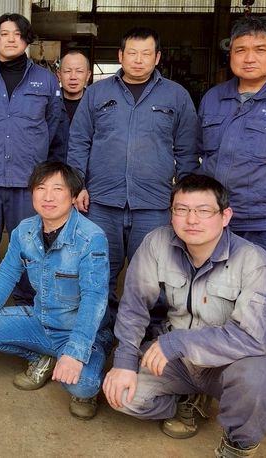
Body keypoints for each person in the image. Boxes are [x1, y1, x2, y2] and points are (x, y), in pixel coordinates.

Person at [103, 174, 266, 458]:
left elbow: (253, 338)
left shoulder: (253, 261)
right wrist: (124, 361)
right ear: (171, 213)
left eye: (203, 210)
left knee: (257, 380)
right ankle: (186, 399)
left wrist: (178, 343)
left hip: (226, 363)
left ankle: (239, 444)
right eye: (182, 209)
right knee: (121, 394)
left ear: (225, 216)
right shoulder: (156, 243)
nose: (191, 220)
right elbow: (134, 305)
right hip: (175, 362)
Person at [197, 15, 266, 419]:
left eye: (260, 49)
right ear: (230, 55)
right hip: (222, 221)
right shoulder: (213, 99)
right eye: (240, 50)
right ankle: (214, 373)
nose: (249, 57)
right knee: (217, 296)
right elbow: (199, 156)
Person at [66, 27, 198, 320]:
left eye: (146, 54)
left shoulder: (176, 96)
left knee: (153, 275)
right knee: (98, 271)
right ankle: (101, 329)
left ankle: (150, 332)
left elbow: (188, 151)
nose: (138, 60)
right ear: (120, 56)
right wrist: (78, 185)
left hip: (154, 204)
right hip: (101, 202)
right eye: (132, 53)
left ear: (157, 57)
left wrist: (184, 198)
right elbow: (79, 141)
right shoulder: (97, 93)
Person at [0, 161, 112, 420]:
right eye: (41, 188)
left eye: (58, 189)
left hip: (78, 331)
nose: (48, 196)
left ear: (73, 196)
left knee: (83, 384)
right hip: (41, 321)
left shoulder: (91, 238)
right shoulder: (24, 231)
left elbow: (95, 298)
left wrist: (75, 351)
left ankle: (81, 364)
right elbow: (6, 273)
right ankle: (43, 358)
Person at [0, 13, 62, 304]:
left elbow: (54, 128)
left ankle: (26, 303)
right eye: (4, 33)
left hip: (28, 181)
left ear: (27, 39)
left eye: (17, 34)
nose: (10, 39)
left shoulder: (46, 81)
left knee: (29, 246)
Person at [51, 50, 92, 162]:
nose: (73, 77)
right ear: (59, 75)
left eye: (79, 71)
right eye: (67, 71)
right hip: (54, 168)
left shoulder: (96, 105)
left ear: (88, 75)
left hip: (86, 170)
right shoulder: (48, 104)